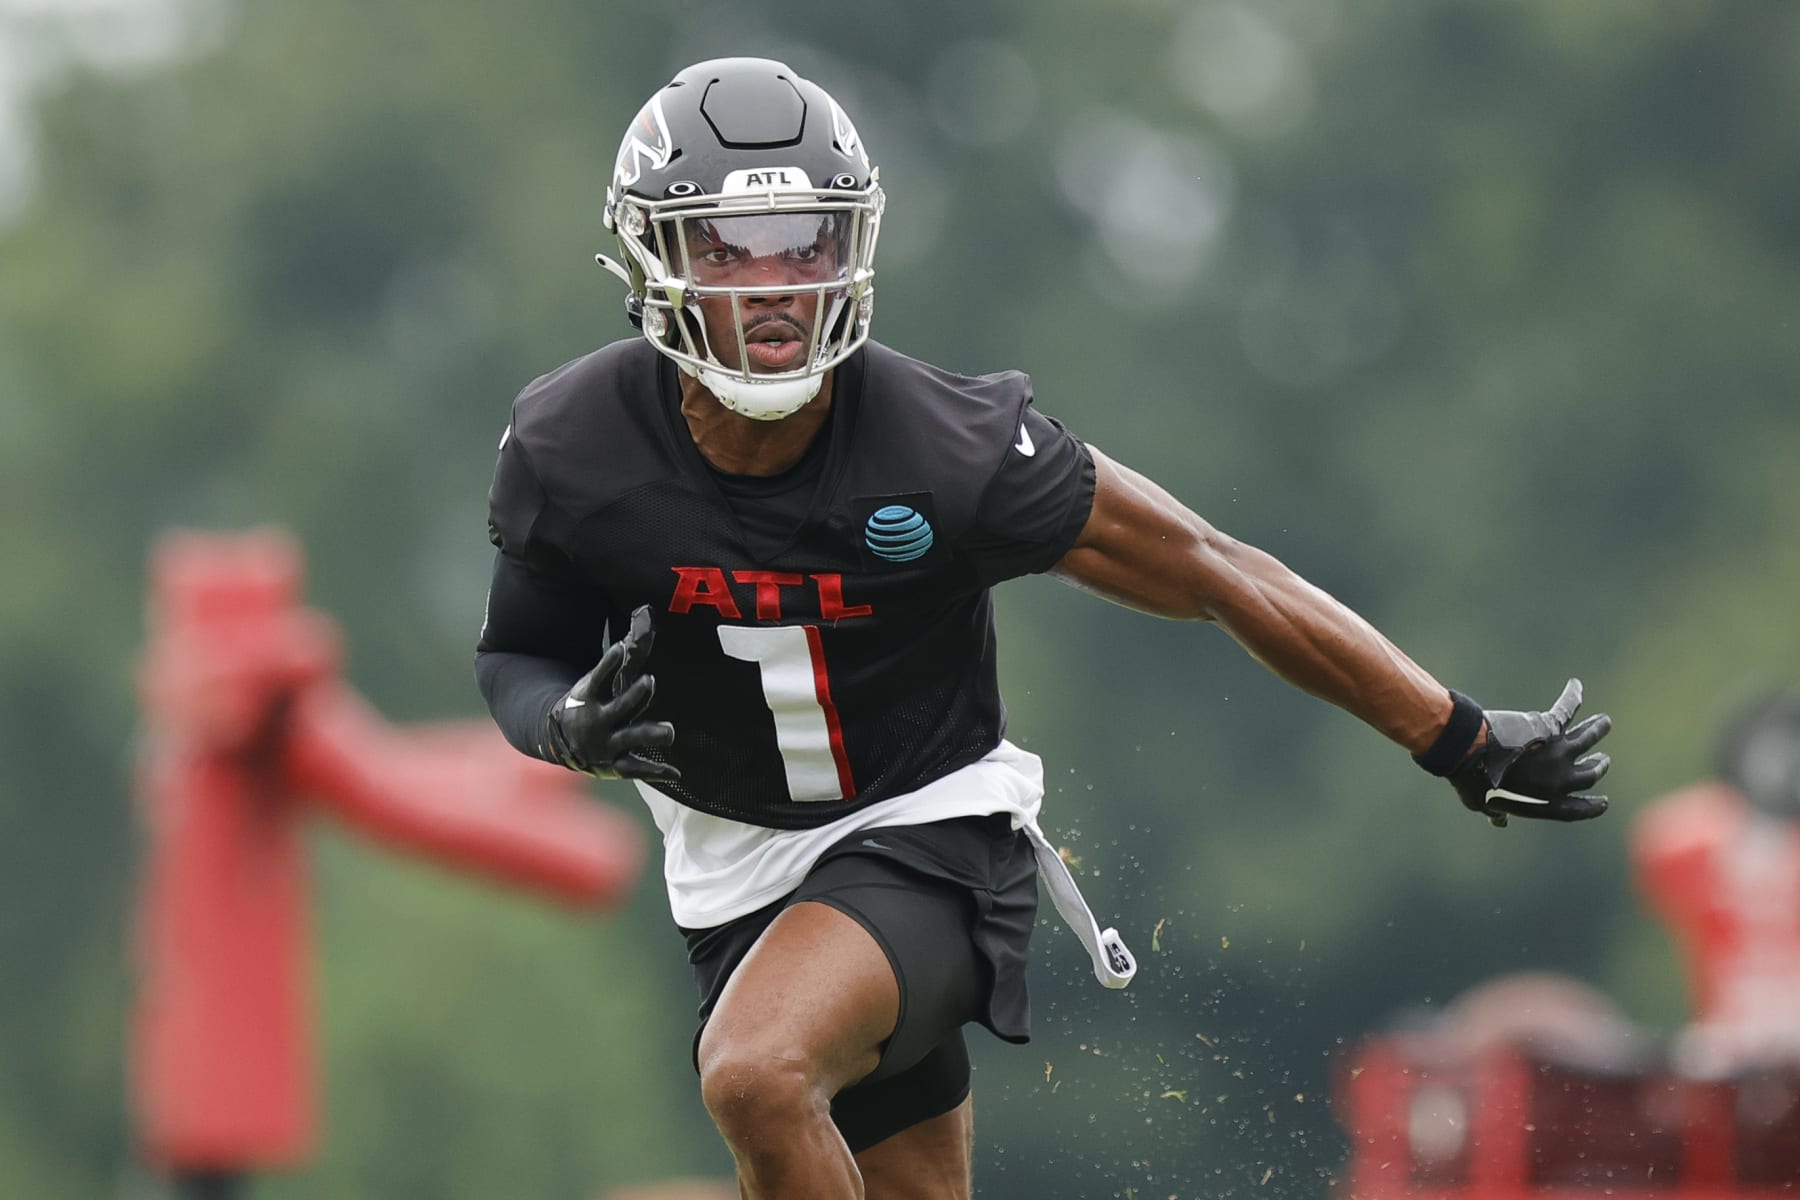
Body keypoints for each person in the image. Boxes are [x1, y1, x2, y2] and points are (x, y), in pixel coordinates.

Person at [475, 57, 1615, 1200]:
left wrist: (1454, 733)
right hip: (731, 881)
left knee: (755, 1077)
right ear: (652, 257)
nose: (772, 284)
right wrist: (564, 727)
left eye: (805, 243)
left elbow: (1214, 568)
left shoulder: (947, 450)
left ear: (852, 250)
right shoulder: (572, 443)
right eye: (726, 246)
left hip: (925, 840)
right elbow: (516, 653)